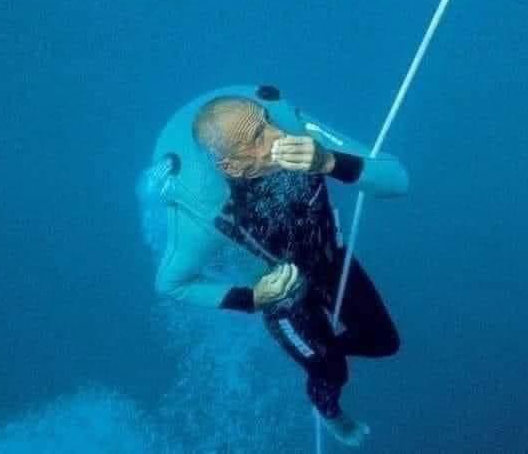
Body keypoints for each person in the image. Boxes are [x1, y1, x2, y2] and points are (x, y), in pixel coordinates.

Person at [141, 85, 408, 447]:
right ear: (231, 165)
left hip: (329, 257)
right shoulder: (202, 217)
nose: (278, 135)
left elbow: (396, 179)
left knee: (384, 342)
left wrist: (329, 161)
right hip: (282, 297)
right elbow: (171, 283)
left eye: (266, 121)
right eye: (257, 136)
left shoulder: (298, 131)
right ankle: (330, 410)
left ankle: (324, 349)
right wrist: (252, 297)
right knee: (330, 371)